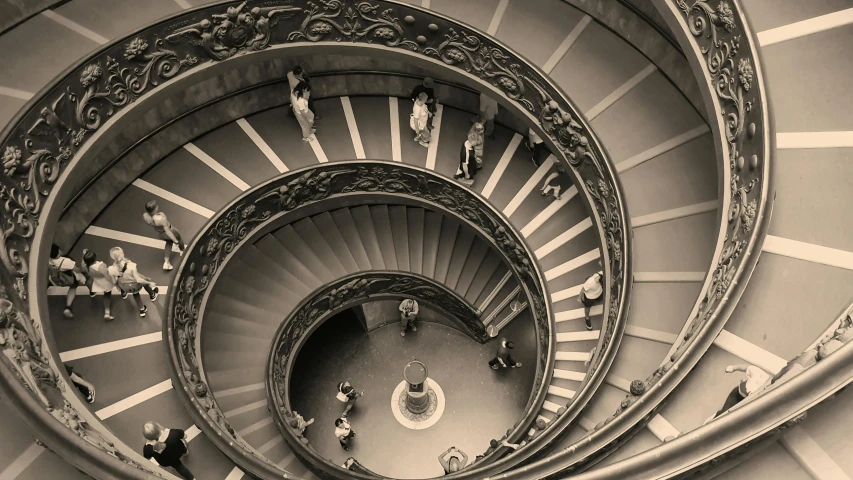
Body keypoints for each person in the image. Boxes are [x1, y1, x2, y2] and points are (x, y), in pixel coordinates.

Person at [109, 247, 159, 318]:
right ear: (122, 254)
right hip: (134, 285)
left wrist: (119, 287)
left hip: (124, 286)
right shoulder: (131, 265)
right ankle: (152, 295)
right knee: (143, 284)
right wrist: (149, 283)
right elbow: (139, 280)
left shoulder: (111, 269)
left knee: (134, 292)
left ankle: (140, 308)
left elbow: (114, 281)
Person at [48, 244, 88, 319]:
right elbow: (78, 270)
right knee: (73, 287)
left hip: (59, 277)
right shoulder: (66, 261)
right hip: (69, 276)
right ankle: (68, 307)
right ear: (58, 251)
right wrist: (83, 257)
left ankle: (68, 308)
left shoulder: (49, 260)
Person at [143, 200, 185, 271]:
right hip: (171, 230)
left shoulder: (145, 216)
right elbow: (168, 232)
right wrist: (176, 241)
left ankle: (166, 262)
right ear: (155, 209)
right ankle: (182, 251)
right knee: (179, 238)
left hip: (160, 234)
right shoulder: (162, 218)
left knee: (168, 243)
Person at [82, 249, 116, 321]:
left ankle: (93, 293)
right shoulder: (101, 266)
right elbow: (107, 276)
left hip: (97, 281)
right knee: (107, 295)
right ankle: (107, 313)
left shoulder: (85, 267)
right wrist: (114, 283)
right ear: (95, 258)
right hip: (105, 282)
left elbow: (83, 264)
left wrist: (83, 255)